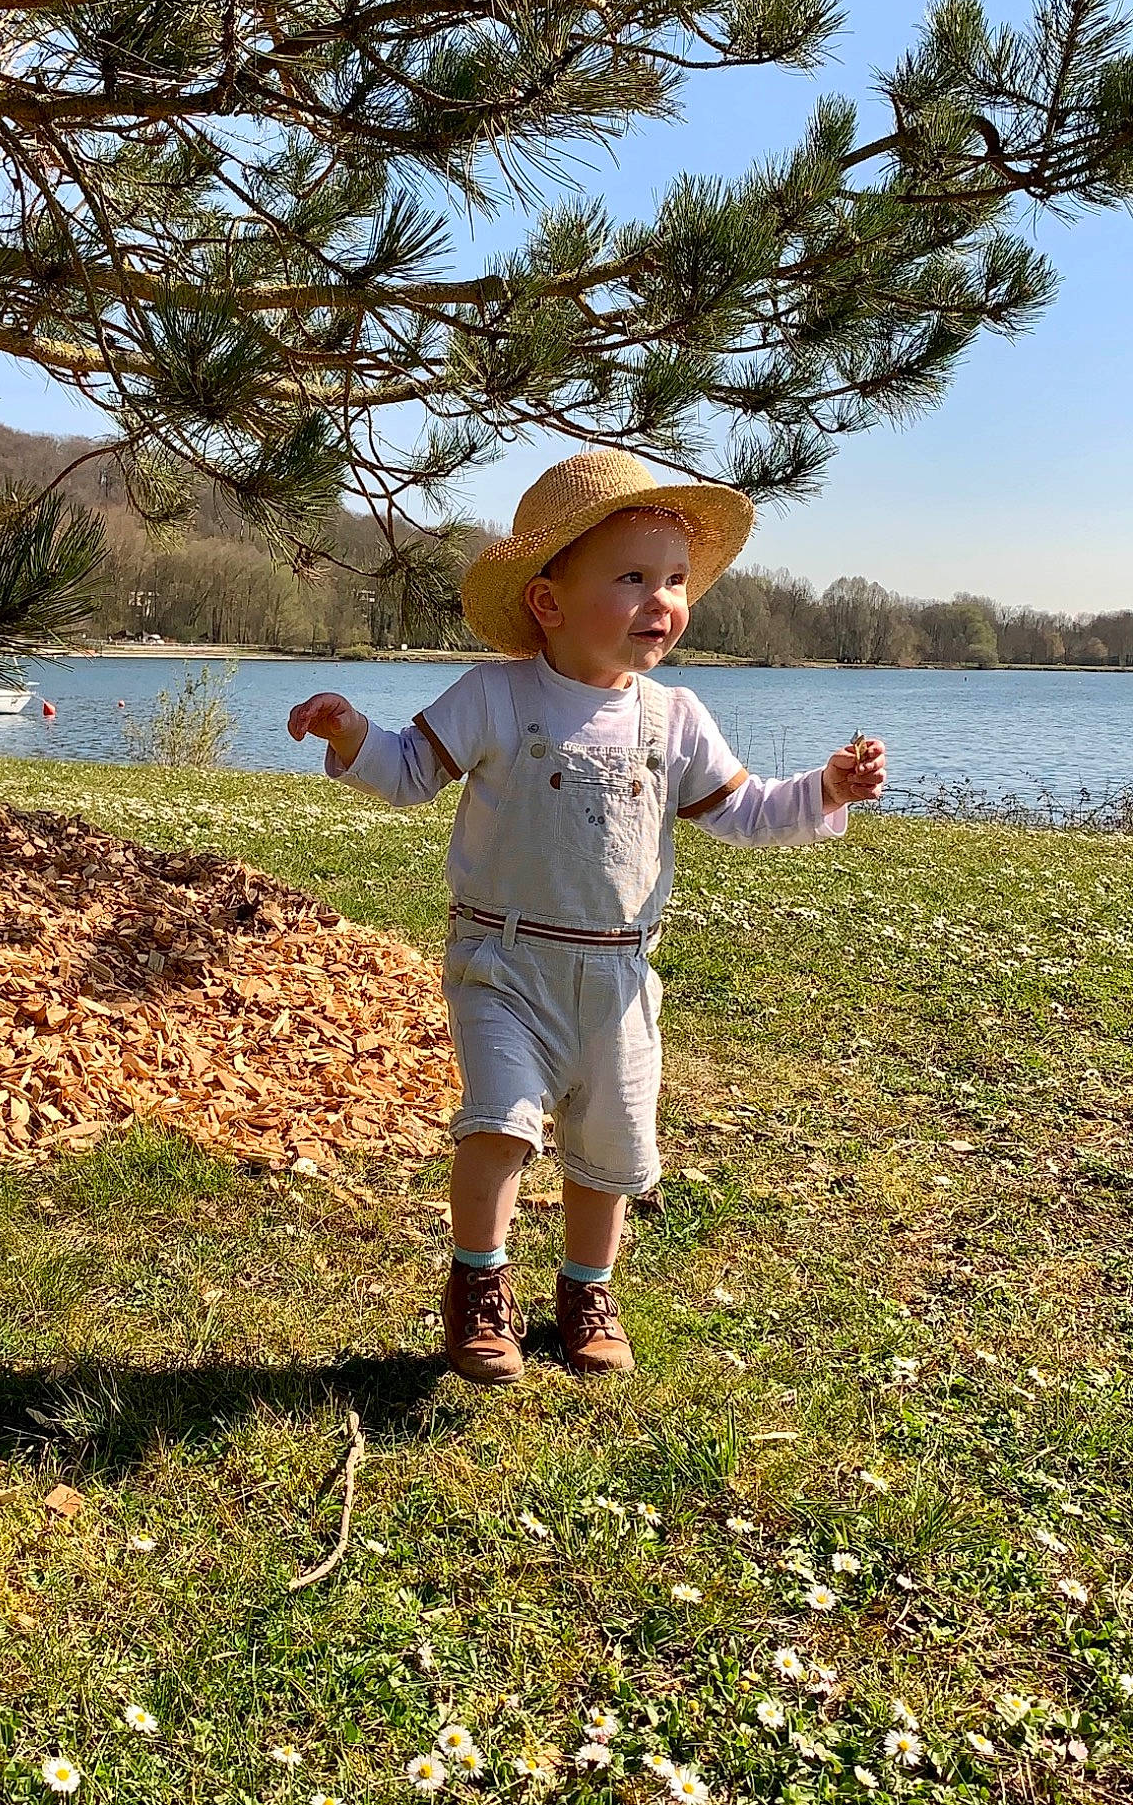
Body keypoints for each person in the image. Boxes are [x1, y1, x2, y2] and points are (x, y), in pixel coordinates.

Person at [288, 448, 886, 1385]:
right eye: (634, 578)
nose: (664, 601)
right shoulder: (495, 694)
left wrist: (824, 788)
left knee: (609, 1147)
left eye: (678, 581)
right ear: (548, 602)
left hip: (618, 976)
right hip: (504, 960)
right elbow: (409, 768)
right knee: (500, 1123)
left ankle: (585, 1291)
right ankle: (480, 1285)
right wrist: (352, 732)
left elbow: (744, 810)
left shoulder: (676, 716)